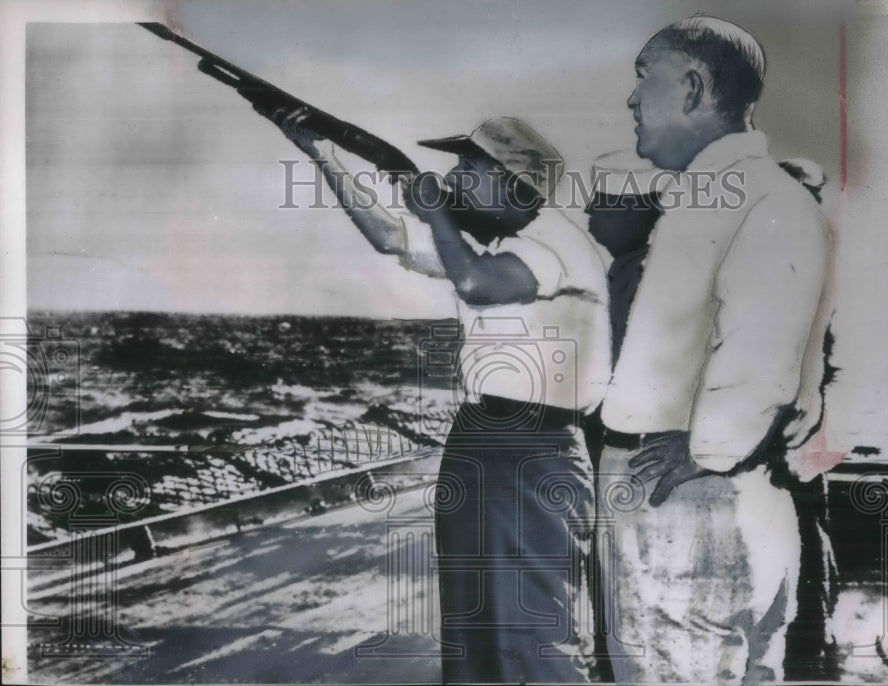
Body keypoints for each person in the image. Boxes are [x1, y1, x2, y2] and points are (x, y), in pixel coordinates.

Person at [269, 110, 611, 683]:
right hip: (484, 436)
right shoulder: (501, 243)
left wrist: (434, 212)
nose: (452, 177)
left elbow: (478, 282)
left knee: (534, 630)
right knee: (472, 627)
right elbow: (390, 238)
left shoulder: (552, 245)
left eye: (467, 166)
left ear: (510, 179)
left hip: (534, 446)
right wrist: (321, 154)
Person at [595, 16, 836, 684]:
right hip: (714, 491)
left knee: (668, 668)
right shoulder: (730, 195)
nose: (632, 100)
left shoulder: (753, 197)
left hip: (691, 500)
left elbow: (760, 354)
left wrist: (705, 449)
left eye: (646, 77)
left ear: (694, 87)